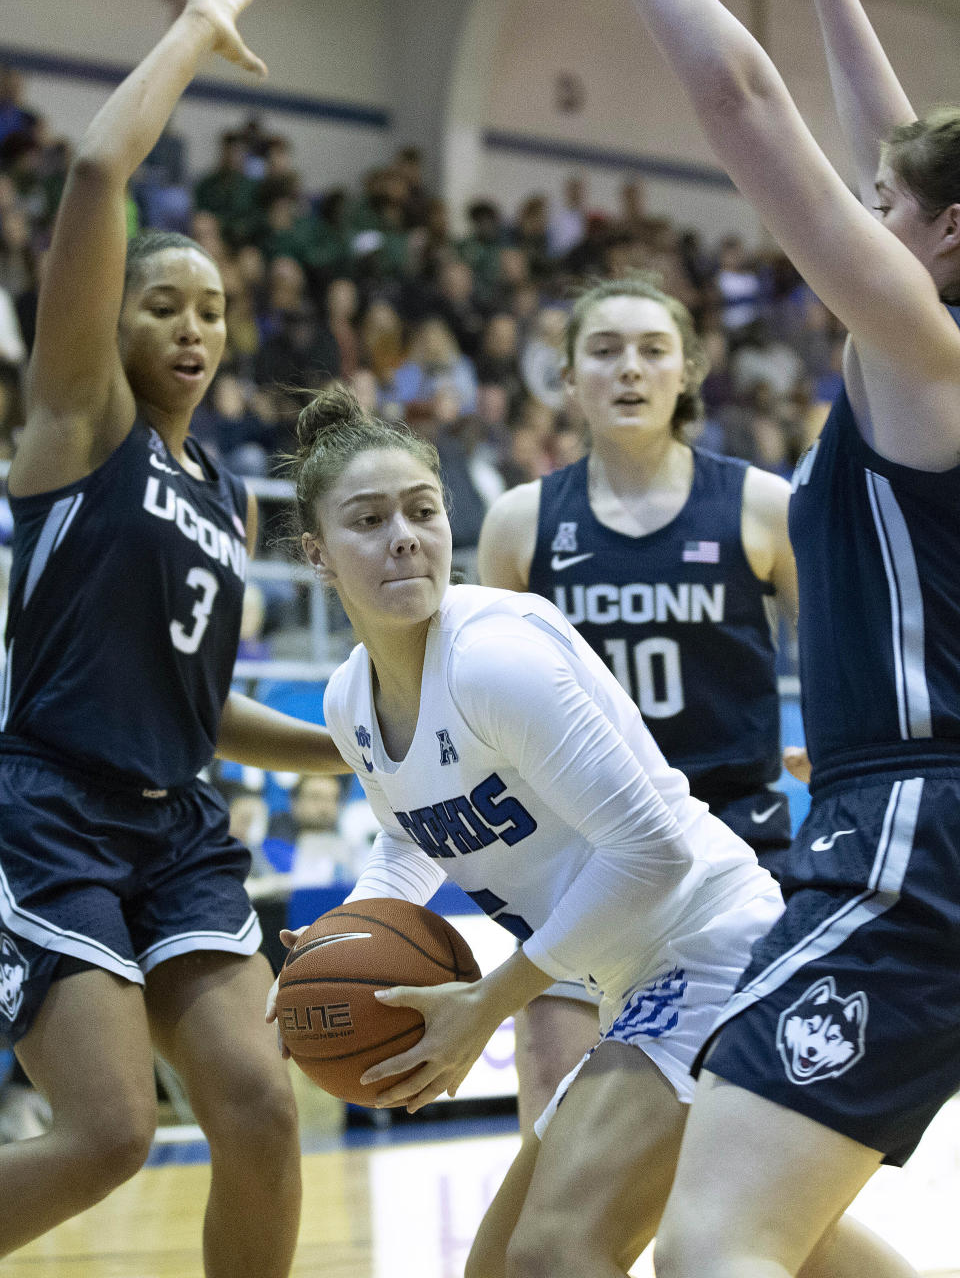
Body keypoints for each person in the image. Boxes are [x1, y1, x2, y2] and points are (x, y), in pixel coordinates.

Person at [266, 382, 901, 1278]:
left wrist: (492, 1000)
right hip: (632, 975)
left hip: (710, 943)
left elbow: (657, 850)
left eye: (422, 510)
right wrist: (331, 946)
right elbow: (412, 836)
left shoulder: (495, 659)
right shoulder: (348, 700)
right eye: (367, 521)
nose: (404, 535)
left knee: (558, 1253)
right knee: (742, 1240)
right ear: (318, 555)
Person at [574, 0, 960, 1274]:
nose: (861, 218)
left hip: (916, 831)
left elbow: (740, 99)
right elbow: (913, 165)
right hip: (922, 820)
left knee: (714, 1250)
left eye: (882, 219)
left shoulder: (923, 354)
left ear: (941, 244)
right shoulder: (936, 348)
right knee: (787, 1235)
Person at [0, 0, 350, 1272]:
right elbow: (98, 172)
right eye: (163, 305)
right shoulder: (80, 426)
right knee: (106, 1136)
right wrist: (196, 32)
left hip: (180, 828)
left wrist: (353, 741)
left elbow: (202, 711)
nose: (193, 330)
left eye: (210, 310)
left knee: (262, 1107)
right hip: (51, 810)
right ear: (119, 322)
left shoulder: (232, 497)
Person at [478, 270, 797, 1134]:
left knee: (736, 1145)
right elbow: (476, 708)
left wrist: (842, 745)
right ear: (569, 375)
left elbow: (845, 652)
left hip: (738, 847)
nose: (630, 370)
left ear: (689, 370)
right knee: (554, 1135)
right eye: (605, 351)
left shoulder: (762, 506)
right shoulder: (521, 522)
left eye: (653, 351)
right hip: (585, 856)